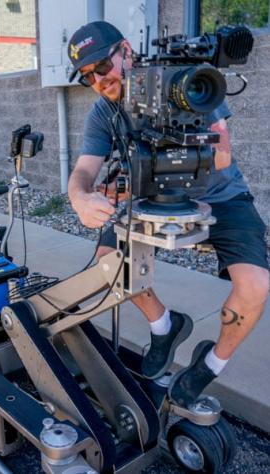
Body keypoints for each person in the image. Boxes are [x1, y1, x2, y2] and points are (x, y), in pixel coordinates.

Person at [67, 22, 269, 408]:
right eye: (87, 76)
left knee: (255, 285)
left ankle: (211, 364)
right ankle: (164, 326)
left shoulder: (185, 80)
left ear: (126, 51)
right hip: (149, 199)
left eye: (101, 67)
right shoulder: (104, 111)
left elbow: (220, 156)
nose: (98, 81)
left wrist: (136, 177)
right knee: (109, 264)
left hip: (221, 196)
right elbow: (83, 172)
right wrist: (79, 196)